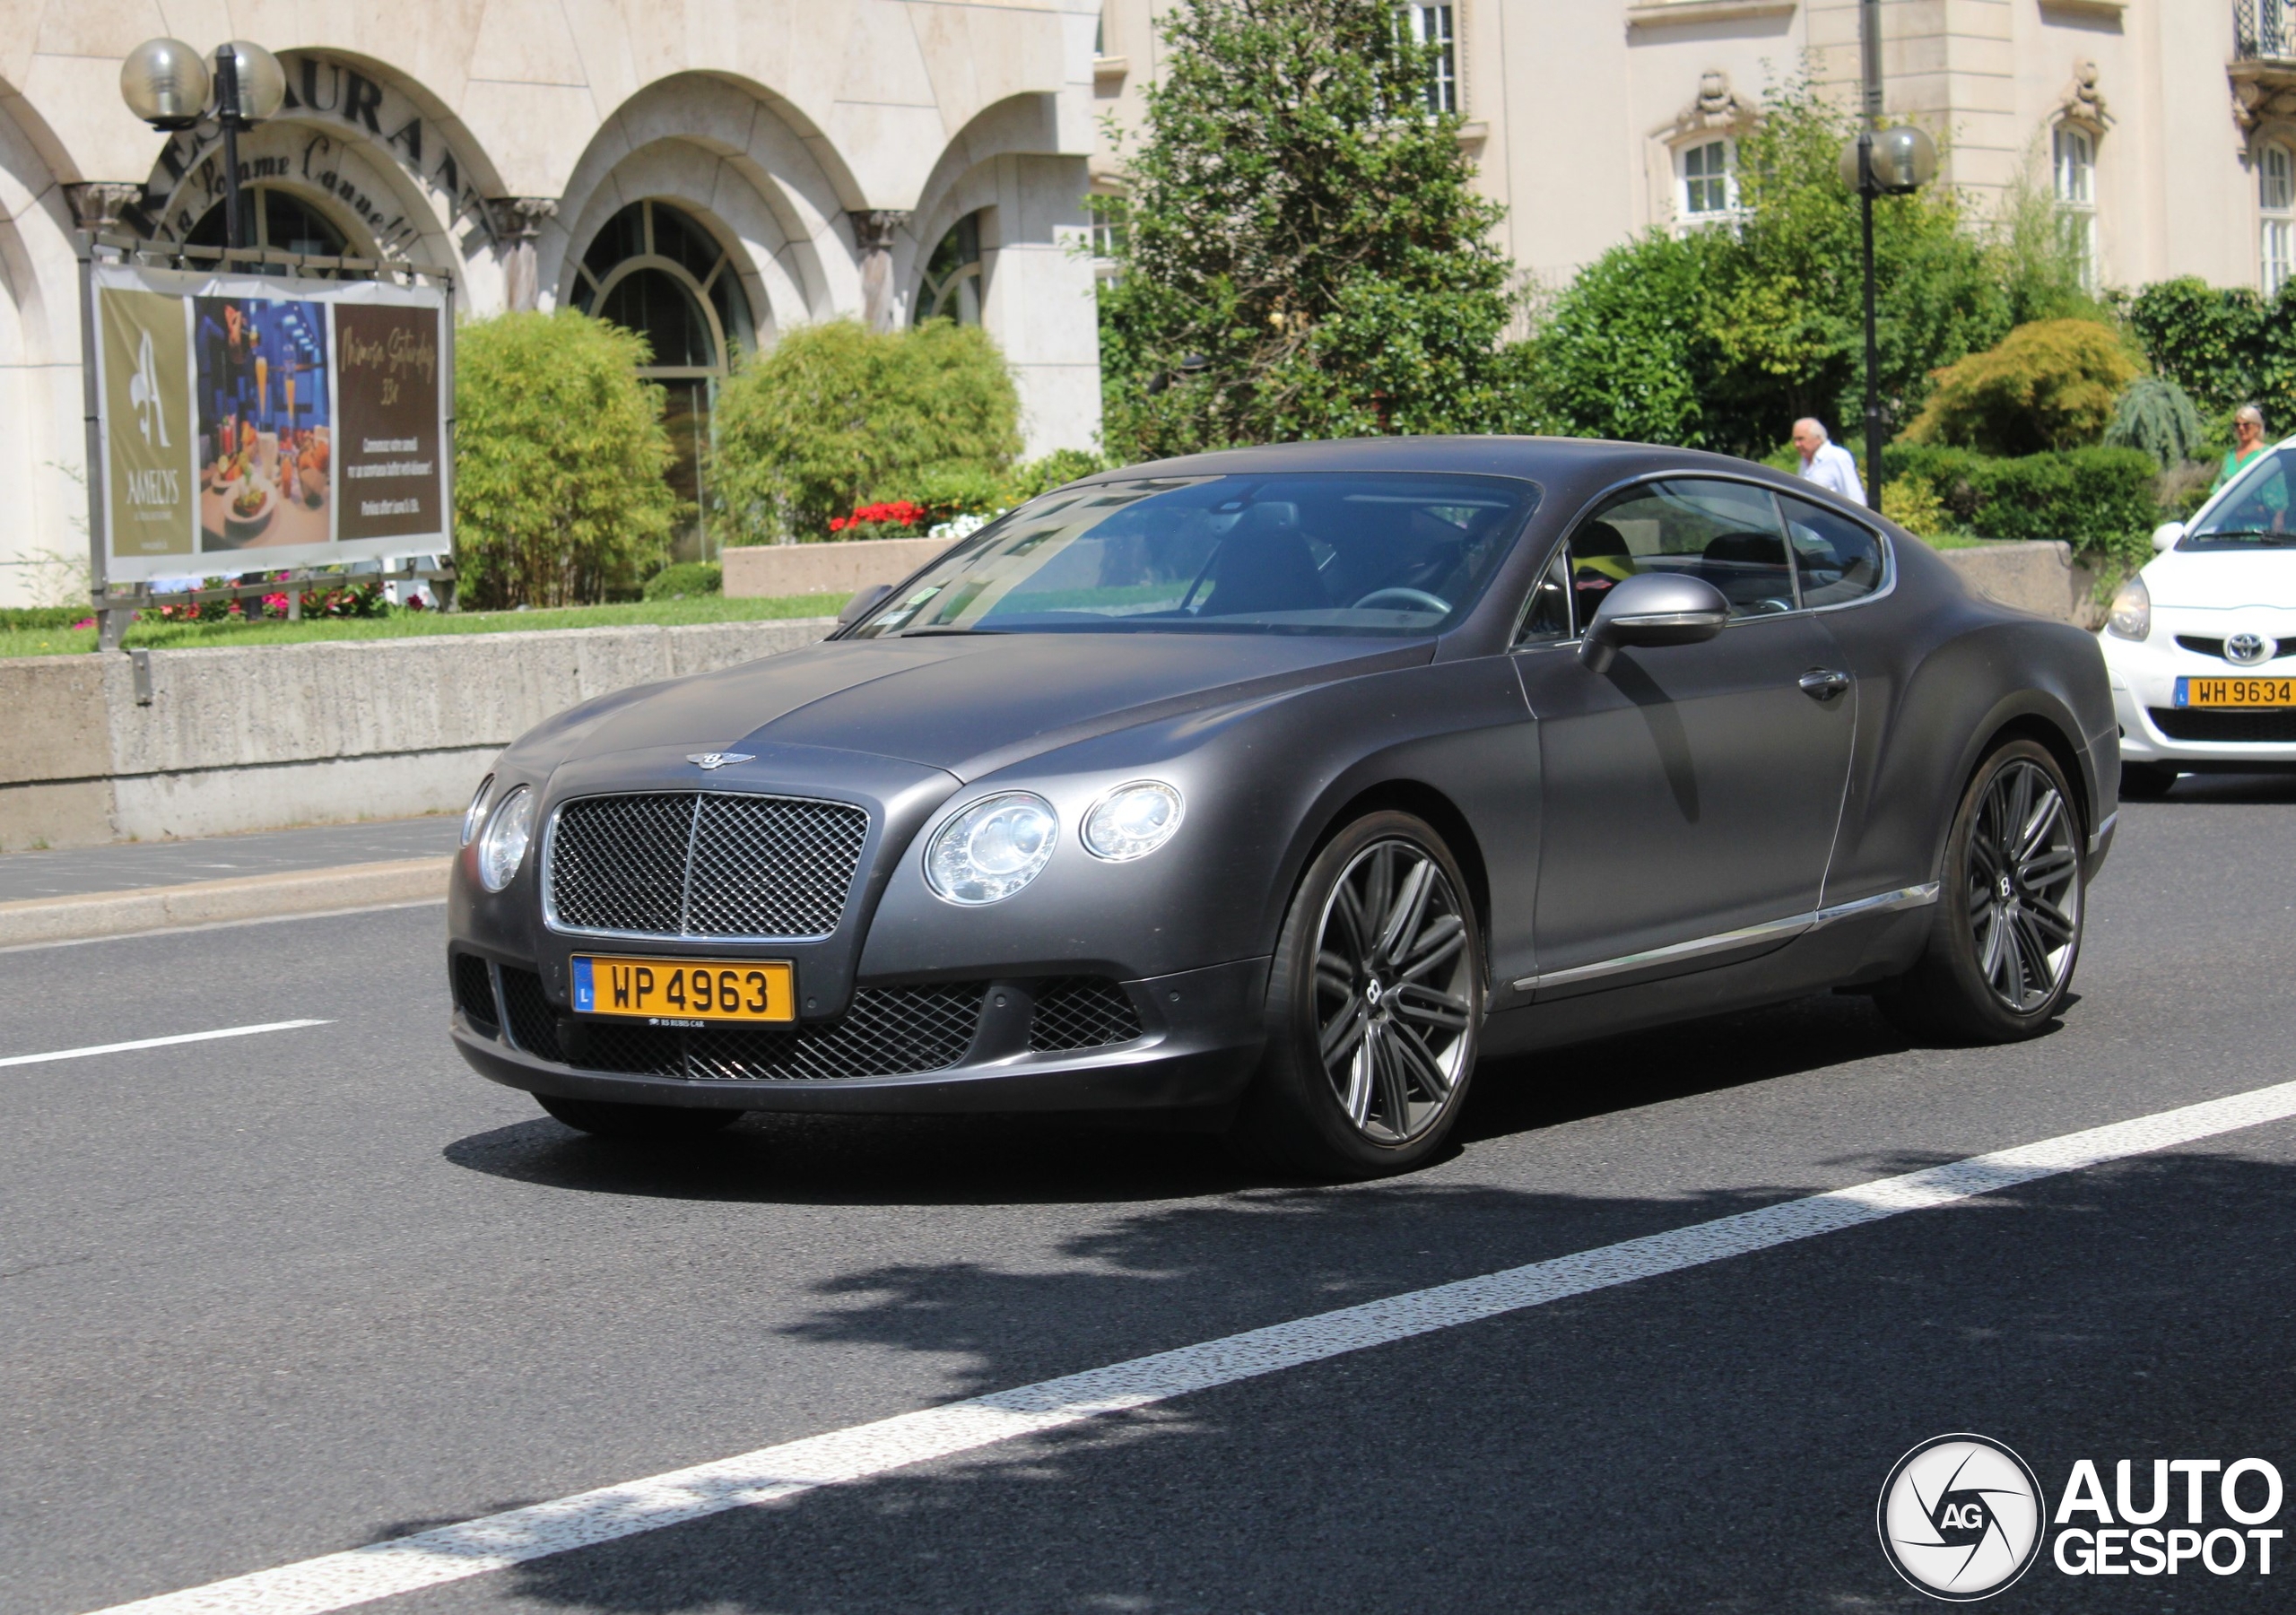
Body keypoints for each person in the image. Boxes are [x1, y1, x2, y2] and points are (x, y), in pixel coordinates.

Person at [1792, 418, 1866, 505]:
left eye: (1801, 439)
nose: (1797, 444)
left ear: (1818, 439)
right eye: (1795, 440)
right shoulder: (1804, 462)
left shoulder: (1837, 457)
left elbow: (1856, 499)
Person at [2213, 404, 2271, 491]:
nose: (2241, 428)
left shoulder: (2266, 454)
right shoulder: (2231, 454)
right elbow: (2219, 486)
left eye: (2246, 425)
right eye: (2237, 425)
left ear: (2257, 427)